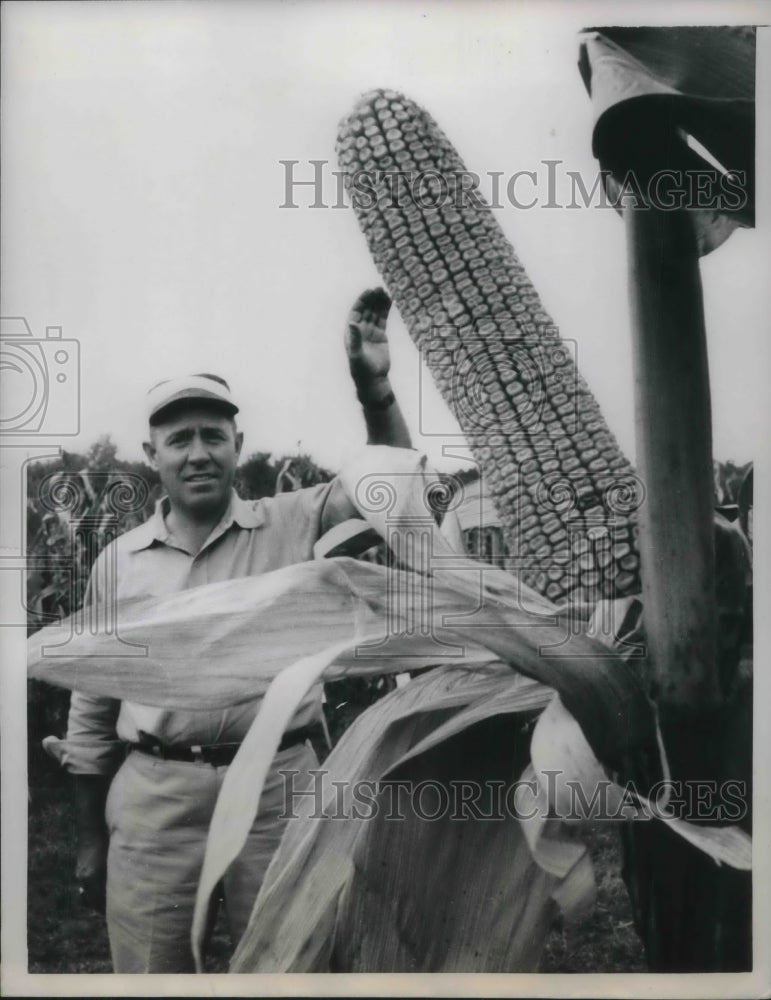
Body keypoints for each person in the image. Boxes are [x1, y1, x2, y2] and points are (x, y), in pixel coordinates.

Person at [60, 288, 411, 973]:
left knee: (293, 971)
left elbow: (391, 488)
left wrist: (374, 388)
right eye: (179, 438)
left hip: (281, 788)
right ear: (151, 454)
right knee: (153, 979)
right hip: (158, 800)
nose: (197, 453)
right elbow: (91, 705)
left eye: (212, 436)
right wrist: (88, 837)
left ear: (237, 446)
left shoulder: (296, 522)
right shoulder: (118, 563)